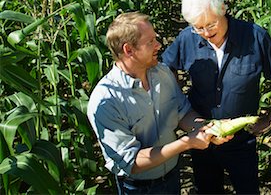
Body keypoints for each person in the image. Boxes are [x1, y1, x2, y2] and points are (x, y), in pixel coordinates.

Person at [162, 0, 271, 194]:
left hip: (241, 143)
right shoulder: (186, 39)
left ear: (223, 9)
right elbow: (166, 66)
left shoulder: (254, 37)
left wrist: (270, 118)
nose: (206, 33)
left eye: (211, 25)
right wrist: (179, 104)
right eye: (198, 28)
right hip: (202, 141)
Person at [87, 12, 229, 195]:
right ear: (128, 50)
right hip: (138, 188)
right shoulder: (106, 101)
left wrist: (208, 128)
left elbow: (182, 113)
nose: (158, 45)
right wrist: (187, 143)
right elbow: (133, 162)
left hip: (171, 177)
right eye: (150, 42)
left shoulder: (161, 73)